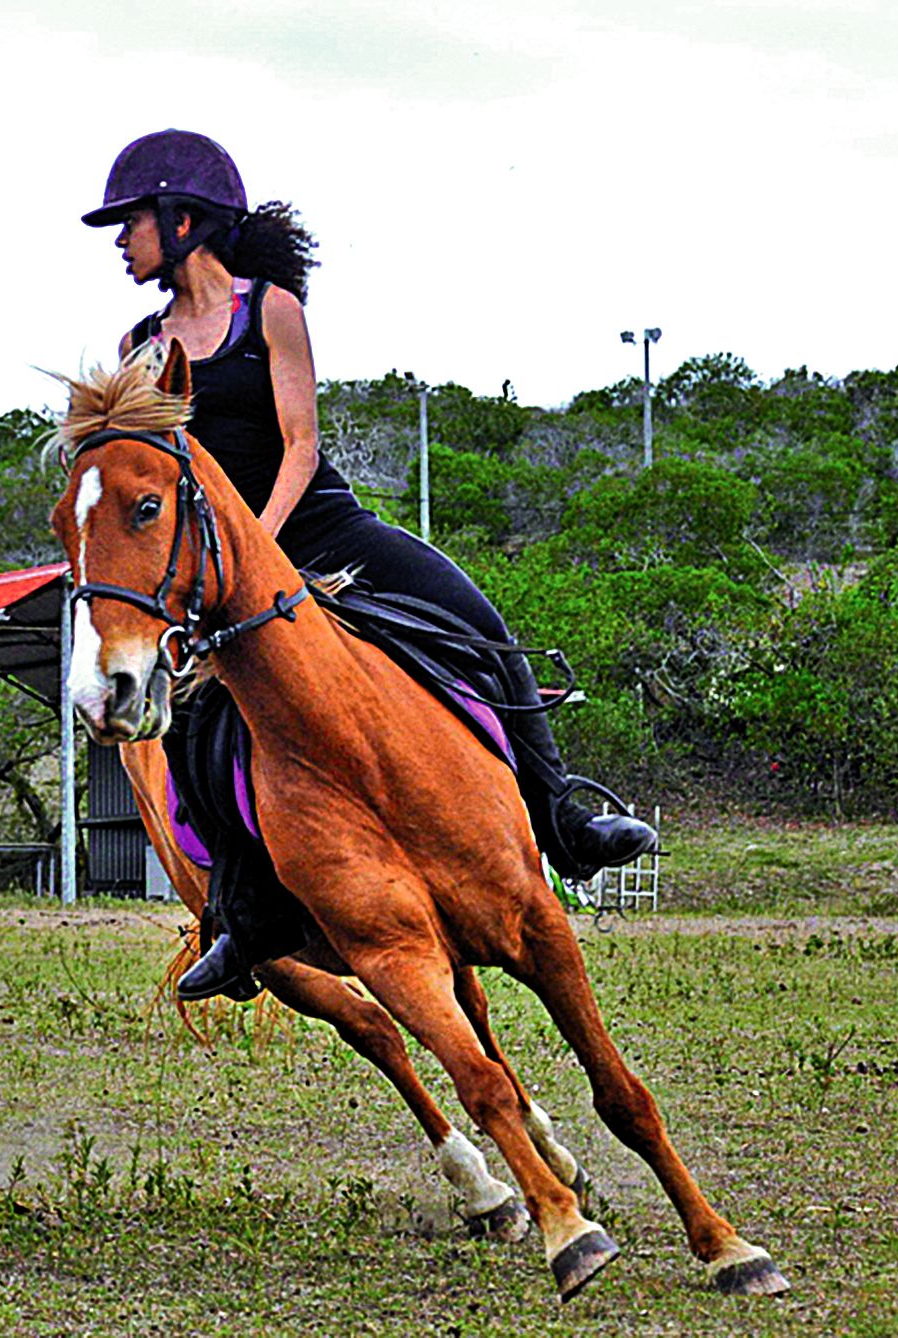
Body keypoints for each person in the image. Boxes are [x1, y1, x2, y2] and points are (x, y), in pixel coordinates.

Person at [81, 129, 655, 1000]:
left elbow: (301, 445)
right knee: (193, 728)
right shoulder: (141, 344)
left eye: (129, 224)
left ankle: (563, 820)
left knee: (478, 623)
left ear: (183, 218)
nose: (120, 242)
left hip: (317, 525)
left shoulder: (268, 309)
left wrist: (263, 544)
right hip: (221, 568)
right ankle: (239, 920)